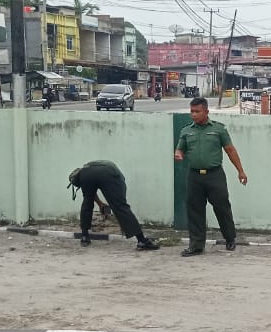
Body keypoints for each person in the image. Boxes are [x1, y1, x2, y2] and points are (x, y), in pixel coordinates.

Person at [173, 97, 247, 257]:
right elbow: (180, 149)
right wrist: (178, 154)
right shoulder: (186, 131)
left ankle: (230, 238)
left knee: (222, 207)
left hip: (215, 175)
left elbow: (230, 150)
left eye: (197, 111)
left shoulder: (219, 129)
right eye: (191, 111)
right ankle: (196, 245)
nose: (193, 115)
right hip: (194, 176)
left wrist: (240, 171)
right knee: (195, 210)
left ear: (206, 112)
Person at [67, 160, 160, 251]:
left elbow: (90, 195)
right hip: (108, 173)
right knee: (121, 206)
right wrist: (115, 207)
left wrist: (102, 204)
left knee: (87, 203)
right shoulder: (92, 167)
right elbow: (119, 200)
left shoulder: (85, 172)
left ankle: (84, 237)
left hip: (91, 174)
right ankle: (142, 240)